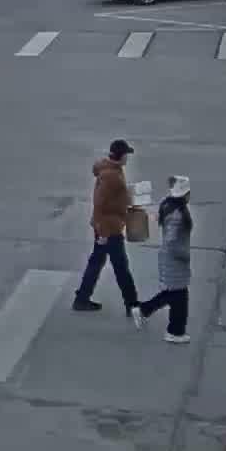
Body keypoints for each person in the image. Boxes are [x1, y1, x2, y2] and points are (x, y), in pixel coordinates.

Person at [73, 139, 142, 318]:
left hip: (106, 226)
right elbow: (99, 204)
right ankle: (133, 305)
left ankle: (82, 298)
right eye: (127, 154)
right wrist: (102, 232)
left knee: (96, 262)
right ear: (121, 156)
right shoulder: (112, 176)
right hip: (109, 229)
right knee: (121, 267)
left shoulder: (110, 170)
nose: (128, 158)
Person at [137, 176, 195, 344]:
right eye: (188, 193)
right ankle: (174, 332)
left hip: (171, 260)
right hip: (174, 261)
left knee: (173, 293)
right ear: (184, 195)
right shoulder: (178, 215)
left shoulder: (169, 206)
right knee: (180, 297)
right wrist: (184, 255)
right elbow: (172, 241)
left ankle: (144, 309)